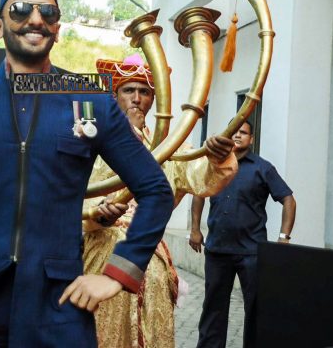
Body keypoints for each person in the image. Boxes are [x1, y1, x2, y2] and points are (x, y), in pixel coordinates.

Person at [0, 0, 173, 348]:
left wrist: (117, 274)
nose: (35, 19)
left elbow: (156, 190)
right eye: (20, 9)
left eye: (47, 11)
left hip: (59, 309)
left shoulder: (89, 101)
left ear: (58, 29)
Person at [84, 56, 237, 348]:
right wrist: (95, 214)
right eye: (129, 90)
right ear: (115, 96)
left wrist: (217, 157)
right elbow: (70, 193)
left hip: (149, 259)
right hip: (100, 255)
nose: (137, 98)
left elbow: (200, 177)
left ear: (154, 100)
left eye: (144, 91)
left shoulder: (169, 146)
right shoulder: (91, 141)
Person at [190, 119, 296, 348]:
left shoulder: (263, 168)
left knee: (256, 310)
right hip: (217, 250)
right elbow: (198, 193)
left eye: (244, 132)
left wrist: (284, 237)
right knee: (213, 309)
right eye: (235, 132)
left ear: (252, 139)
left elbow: (288, 199)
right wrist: (195, 228)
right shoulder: (214, 165)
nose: (238, 136)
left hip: (252, 253)